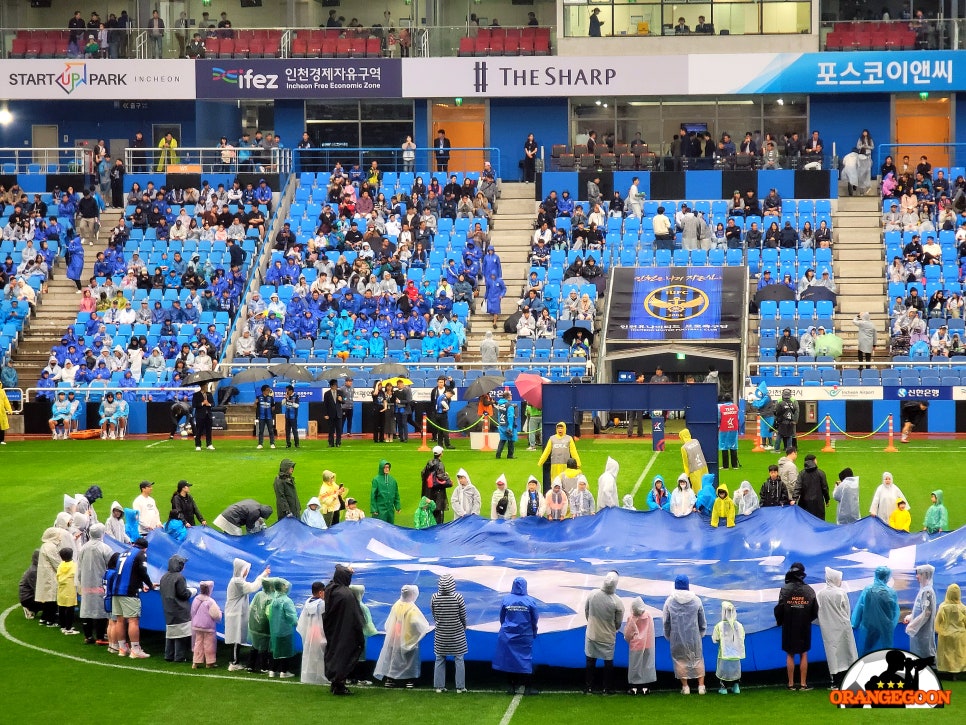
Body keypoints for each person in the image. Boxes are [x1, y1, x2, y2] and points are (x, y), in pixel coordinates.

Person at [374, 584, 432, 688]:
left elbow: (389, 622)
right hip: (408, 638)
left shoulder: (396, 605)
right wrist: (425, 628)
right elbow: (417, 622)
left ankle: (390, 679)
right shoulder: (412, 608)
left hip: (394, 638)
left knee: (393, 659)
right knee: (409, 660)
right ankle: (409, 680)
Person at [774, 562, 818, 690]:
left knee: (790, 653)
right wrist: (806, 619)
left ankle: (791, 684)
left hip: (789, 625)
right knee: (804, 653)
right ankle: (803, 684)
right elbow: (815, 610)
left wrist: (781, 621)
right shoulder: (809, 590)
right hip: (804, 625)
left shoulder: (785, 589)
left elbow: (780, 608)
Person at [493, 577, 539, 695]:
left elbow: (502, 617)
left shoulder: (506, 599)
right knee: (525, 659)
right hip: (524, 634)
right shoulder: (530, 601)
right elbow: (535, 618)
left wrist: (506, 628)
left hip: (508, 634)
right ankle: (527, 687)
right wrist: (533, 630)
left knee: (510, 660)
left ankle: (511, 686)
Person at [109, 537, 154, 659]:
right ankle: (135, 649)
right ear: (145, 548)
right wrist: (150, 585)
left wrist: (140, 585)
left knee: (119, 620)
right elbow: (142, 572)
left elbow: (127, 572)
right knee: (133, 620)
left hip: (116, 590)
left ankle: (122, 648)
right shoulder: (141, 554)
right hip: (129, 591)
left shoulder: (123, 553)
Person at [324, 565, 366, 695]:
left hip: (333, 629)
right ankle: (339, 684)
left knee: (334, 654)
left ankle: (335, 682)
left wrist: (344, 570)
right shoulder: (346, 594)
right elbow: (355, 615)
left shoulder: (331, 589)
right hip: (345, 630)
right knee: (343, 656)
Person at [663, 575, 707, 695]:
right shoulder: (696, 600)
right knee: (697, 658)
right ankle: (701, 686)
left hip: (676, 636)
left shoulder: (670, 601)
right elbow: (701, 619)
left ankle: (685, 687)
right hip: (694, 635)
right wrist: (702, 632)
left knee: (679, 660)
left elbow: (666, 621)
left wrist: (668, 635)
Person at [225, 557, 270, 671]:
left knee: (237, 639)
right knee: (235, 640)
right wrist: (263, 575)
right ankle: (234, 663)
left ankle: (235, 661)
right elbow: (252, 587)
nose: (246, 571)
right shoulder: (237, 582)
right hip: (235, 614)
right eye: (245, 569)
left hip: (236, 613)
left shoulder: (237, 581)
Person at [584, 571, 625, 695]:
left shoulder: (592, 594)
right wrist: (612, 629)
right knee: (608, 662)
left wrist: (591, 623)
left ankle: (588, 687)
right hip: (607, 637)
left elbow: (587, 611)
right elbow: (618, 622)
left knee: (590, 660)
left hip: (592, 633)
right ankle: (607, 688)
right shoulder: (617, 602)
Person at [816, 567, 857, 689]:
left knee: (833, 653)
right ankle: (849, 678)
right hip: (843, 626)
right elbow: (847, 610)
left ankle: (834, 681)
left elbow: (818, 612)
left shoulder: (820, 594)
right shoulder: (841, 592)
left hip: (828, 628)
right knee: (848, 651)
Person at [431, 575, 468, 693]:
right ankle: (460, 687)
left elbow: (434, 614)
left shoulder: (434, 597)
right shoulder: (458, 597)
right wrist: (464, 626)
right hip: (457, 632)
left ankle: (439, 686)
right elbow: (463, 615)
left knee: (439, 658)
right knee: (459, 658)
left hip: (441, 632)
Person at [852, 565, 900, 655]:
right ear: (887, 577)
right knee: (885, 652)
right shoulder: (891, 593)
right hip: (886, 628)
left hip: (869, 627)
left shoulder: (868, 590)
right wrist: (890, 625)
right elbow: (895, 612)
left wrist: (854, 623)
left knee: (867, 651)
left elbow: (860, 607)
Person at [160, 554, 193, 662]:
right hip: (180, 610)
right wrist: (191, 592)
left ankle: (168, 655)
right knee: (181, 634)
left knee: (170, 633)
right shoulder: (179, 577)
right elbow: (183, 594)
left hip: (168, 609)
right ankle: (179, 656)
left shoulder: (164, 577)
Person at [905, 564, 937, 663]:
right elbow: (922, 609)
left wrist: (913, 626)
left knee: (923, 655)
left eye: (919, 574)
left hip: (922, 632)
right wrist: (912, 617)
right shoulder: (924, 590)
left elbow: (927, 613)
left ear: (925, 574)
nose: (917, 576)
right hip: (920, 632)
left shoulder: (927, 592)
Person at [298, 581, 329, 685]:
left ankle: (308, 676)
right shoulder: (322, 604)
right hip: (319, 632)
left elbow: (302, 620)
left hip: (309, 632)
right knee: (320, 656)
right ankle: (320, 677)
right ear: (321, 592)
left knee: (308, 655)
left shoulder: (307, 602)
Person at [712, 601, 745, 695]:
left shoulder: (719, 626)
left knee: (723, 671)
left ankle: (724, 688)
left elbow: (715, 639)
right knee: (736, 670)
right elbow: (743, 637)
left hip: (724, 654)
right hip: (736, 653)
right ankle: (736, 687)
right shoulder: (739, 625)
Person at [624, 597, 655, 696]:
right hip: (648, 644)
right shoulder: (649, 615)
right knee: (646, 665)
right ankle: (646, 687)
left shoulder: (632, 618)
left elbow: (628, 632)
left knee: (635, 665)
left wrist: (628, 639)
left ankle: (634, 687)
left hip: (636, 645)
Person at [268, 578, 298, 678]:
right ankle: (284, 671)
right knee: (284, 651)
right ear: (282, 587)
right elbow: (291, 617)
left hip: (274, 630)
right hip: (285, 630)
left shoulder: (274, 600)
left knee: (276, 650)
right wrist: (296, 623)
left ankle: (272, 670)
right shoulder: (287, 601)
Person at [935, 583, 966, 675]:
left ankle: (946, 671)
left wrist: (939, 631)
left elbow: (937, 622)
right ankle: (958, 671)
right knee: (958, 654)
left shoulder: (943, 607)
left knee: (946, 654)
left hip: (945, 635)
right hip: (960, 635)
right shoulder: (963, 608)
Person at [421, 446, 451, 525]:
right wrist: (448, 478)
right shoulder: (440, 464)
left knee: (429, 518)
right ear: (441, 454)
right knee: (438, 519)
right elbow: (441, 478)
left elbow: (423, 474)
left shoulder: (429, 463)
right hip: (438, 496)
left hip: (429, 494)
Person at [796, 454, 830, 520]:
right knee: (818, 521)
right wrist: (827, 499)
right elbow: (824, 488)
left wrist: (794, 499)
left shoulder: (801, 473)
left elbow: (798, 487)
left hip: (804, 503)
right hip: (818, 503)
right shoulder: (820, 473)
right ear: (813, 461)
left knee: (806, 522)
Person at [370, 459, 401, 524]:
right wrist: (374, 509)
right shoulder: (376, 480)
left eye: (388, 467)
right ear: (381, 468)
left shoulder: (392, 480)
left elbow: (396, 494)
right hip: (380, 509)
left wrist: (397, 506)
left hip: (390, 509)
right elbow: (373, 495)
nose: (387, 469)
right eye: (385, 467)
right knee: (379, 527)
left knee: (390, 527)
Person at [56, 547, 78, 635]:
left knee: (61, 607)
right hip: (70, 588)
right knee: (70, 608)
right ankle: (68, 628)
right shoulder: (74, 565)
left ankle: (63, 626)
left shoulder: (61, 565)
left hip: (61, 588)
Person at [717, 394, 740, 470]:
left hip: (724, 428)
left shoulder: (721, 408)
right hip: (734, 428)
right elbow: (738, 417)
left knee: (724, 446)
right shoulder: (735, 407)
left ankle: (725, 466)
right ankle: (734, 465)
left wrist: (718, 425)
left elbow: (719, 417)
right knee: (733, 445)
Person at [494, 391, 517, 459]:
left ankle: (498, 455)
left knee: (502, 440)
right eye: (510, 395)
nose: (511, 397)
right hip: (508, 425)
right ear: (508, 397)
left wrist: (500, 423)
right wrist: (510, 426)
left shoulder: (500, 405)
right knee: (511, 440)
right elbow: (510, 416)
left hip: (501, 425)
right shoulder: (509, 406)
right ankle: (510, 455)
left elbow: (498, 415)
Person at [19, 550, 40, 620]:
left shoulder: (36, 568)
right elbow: (37, 589)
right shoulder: (34, 571)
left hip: (29, 595)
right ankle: (29, 608)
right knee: (51, 603)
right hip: (28, 598)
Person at [322, 378, 343, 447]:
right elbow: (325, 405)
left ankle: (338, 442)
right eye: (335, 385)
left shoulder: (340, 392)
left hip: (338, 414)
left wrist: (341, 400)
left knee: (339, 429)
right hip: (331, 414)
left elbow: (344, 401)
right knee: (331, 429)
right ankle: (331, 443)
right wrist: (325, 414)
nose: (336, 386)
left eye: (336, 385)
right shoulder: (327, 394)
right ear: (331, 386)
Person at [255, 384, 276, 449]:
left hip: (269, 417)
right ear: (263, 391)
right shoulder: (258, 397)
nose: (268, 391)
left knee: (271, 431)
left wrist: (269, 408)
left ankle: (272, 443)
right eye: (267, 390)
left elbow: (273, 407)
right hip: (261, 417)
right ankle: (260, 444)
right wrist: (255, 403)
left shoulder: (271, 398)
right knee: (261, 431)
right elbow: (255, 407)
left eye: (269, 390)